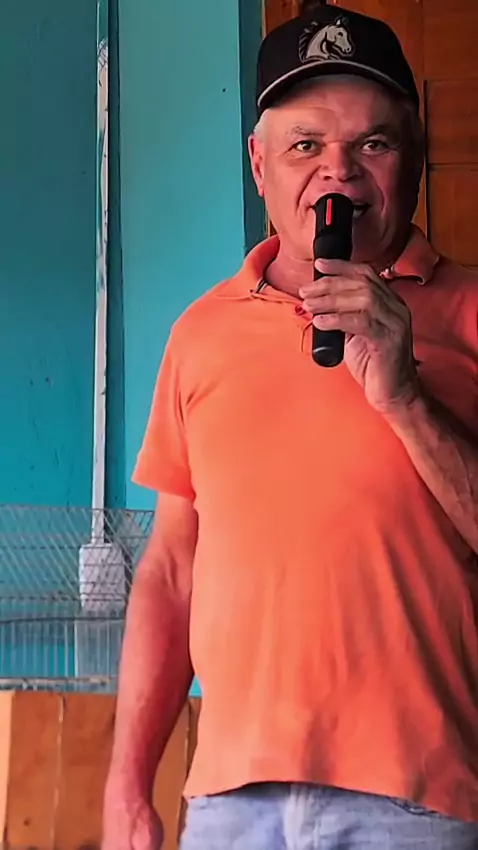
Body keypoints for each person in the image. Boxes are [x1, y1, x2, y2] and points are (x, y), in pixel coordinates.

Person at [103, 5, 478, 849]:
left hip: (420, 799)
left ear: (414, 160)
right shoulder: (201, 333)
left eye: (372, 144)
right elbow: (171, 572)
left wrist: (406, 400)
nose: (337, 172)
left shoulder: (471, 312)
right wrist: (128, 787)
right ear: (259, 165)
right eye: (306, 145)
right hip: (232, 802)